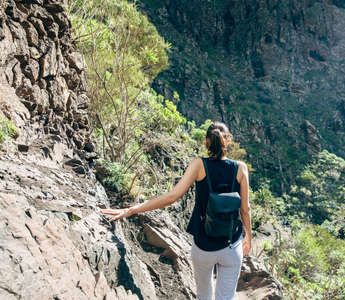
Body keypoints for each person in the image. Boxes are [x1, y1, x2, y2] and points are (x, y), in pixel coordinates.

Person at [100, 121, 252, 300]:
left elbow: (172, 197)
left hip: (204, 246)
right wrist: (248, 235)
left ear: (206, 141)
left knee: (204, 295)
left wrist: (132, 210)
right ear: (228, 141)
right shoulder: (240, 168)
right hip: (231, 245)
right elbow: (245, 209)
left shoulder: (199, 165)